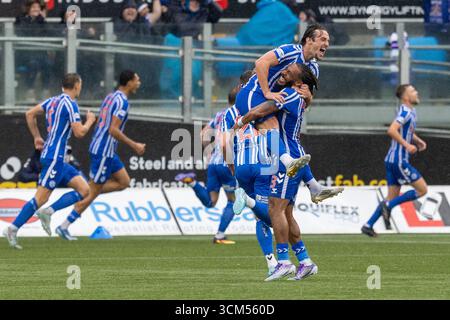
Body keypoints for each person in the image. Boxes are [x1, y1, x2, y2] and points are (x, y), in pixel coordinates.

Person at [235, 64, 320, 281]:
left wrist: (243, 120)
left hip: (287, 160)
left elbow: (261, 111)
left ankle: (283, 261)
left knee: (275, 210)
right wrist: (309, 98)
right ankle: (306, 261)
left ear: (298, 82)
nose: (283, 72)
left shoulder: (288, 95)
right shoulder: (297, 95)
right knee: (286, 213)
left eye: (289, 71)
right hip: (295, 156)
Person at [37, 71, 146, 240]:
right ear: (129, 82)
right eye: (137, 79)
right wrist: (135, 145)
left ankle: (93, 189)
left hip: (105, 149)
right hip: (104, 151)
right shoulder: (122, 102)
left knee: (124, 182)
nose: (139, 82)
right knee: (91, 191)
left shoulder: (111, 97)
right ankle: (64, 225)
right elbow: (113, 129)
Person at [3, 73, 96, 249]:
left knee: (84, 189)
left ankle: (48, 212)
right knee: (41, 197)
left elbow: (30, 114)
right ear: (76, 85)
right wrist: (90, 121)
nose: (80, 88)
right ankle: (13, 228)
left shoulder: (52, 101)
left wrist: (37, 137)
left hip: (57, 157)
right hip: (54, 157)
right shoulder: (71, 104)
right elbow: (79, 132)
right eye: (80, 85)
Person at [235, 23, 329, 178]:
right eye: (322, 39)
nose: (326, 43)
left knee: (280, 136)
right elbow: (260, 63)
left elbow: (302, 105)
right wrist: (267, 92)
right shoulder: (290, 51)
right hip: (254, 93)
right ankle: (289, 166)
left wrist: (309, 97)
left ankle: (305, 181)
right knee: (271, 127)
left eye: (328, 41)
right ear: (308, 40)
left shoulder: (313, 69)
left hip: (274, 103)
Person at [362, 84, 428, 237]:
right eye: (413, 91)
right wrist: (407, 145)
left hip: (391, 160)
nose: (416, 92)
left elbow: (407, 131)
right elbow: (391, 129)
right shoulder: (405, 110)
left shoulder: (412, 111)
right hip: (398, 160)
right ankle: (389, 206)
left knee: (391, 195)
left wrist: (417, 140)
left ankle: (368, 225)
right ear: (405, 97)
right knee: (422, 189)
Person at [175, 96, 238, 245]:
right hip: (226, 163)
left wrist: (209, 152)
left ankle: (192, 183)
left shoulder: (219, 115)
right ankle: (220, 235)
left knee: (211, 201)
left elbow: (203, 135)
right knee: (233, 201)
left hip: (213, 163)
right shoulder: (240, 113)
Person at [15, 0, 51, 101]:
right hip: (25, 53)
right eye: (34, 7)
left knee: (47, 63)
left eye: (38, 7)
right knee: (33, 63)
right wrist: (32, 20)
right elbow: (22, 33)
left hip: (40, 53)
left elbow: (46, 34)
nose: (37, 9)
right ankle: (30, 90)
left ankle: (45, 90)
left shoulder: (42, 21)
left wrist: (40, 19)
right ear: (28, 8)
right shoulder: (20, 19)